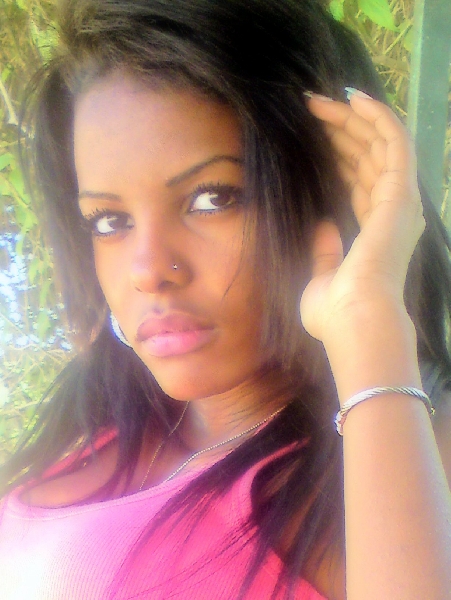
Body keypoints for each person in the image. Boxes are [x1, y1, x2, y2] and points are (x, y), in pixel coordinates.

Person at [0, 1, 450, 598]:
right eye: (109, 221)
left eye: (212, 199)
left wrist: (368, 323)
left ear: (329, 189)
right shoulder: (98, 418)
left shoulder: (406, 449)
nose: (148, 271)